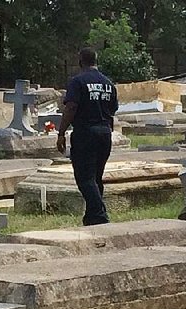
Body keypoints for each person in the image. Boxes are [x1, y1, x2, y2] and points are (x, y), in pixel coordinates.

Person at [57, 47, 119, 226]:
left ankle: (100, 214)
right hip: (105, 133)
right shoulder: (109, 83)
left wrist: (61, 133)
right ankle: (92, 218)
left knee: (84, 178)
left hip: (86, 132)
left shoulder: (77, 82)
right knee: (96, 177)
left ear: (80, 61)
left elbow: (71, 107)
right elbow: (112, 111)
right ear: (96, 61)